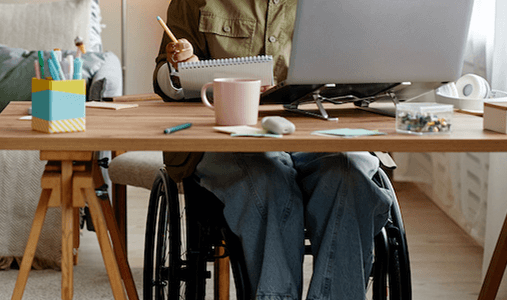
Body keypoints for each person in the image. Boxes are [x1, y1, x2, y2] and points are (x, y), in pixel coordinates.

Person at [152, 0, 397, 299]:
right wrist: (179, 70)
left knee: (349, 176)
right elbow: (164, 82)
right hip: (231, 140)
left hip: (323, 134)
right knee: (267, 182)